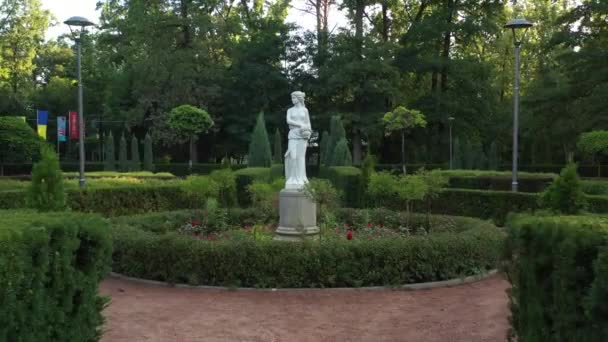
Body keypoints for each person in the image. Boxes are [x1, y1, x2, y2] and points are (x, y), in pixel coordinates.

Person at [284, 91, 312, 189]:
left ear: (299, 98)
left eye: (294, 98)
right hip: (293, 134)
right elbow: (288, 121)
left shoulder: (305, 110)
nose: (292, 100)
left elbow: (308, 123)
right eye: (292, 98)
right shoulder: (290, 110)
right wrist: (300, 124)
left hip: (302, 135)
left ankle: (301, 178)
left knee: (301, 157)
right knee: (293, 156)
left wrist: (308, 132)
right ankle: (292, 178)